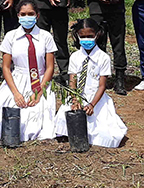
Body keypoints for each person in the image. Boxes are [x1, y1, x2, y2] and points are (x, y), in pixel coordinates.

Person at [0, 0, 57, 142]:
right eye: (23, 14)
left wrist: (39, 92)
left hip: (40, 81)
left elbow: (50, 67)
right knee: (6, 119)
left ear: (37, 16)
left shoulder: (46, 37)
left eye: (30, 14)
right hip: (17, 80)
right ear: (18, 16)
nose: (27, 17)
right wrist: (16, 93)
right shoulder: (10, 36)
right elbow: (6, 67)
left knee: (35, 124)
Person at [54, 18, 127, 147]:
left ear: (97, 35)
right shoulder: (75, 57)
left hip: (95, 99)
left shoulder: (103, 58)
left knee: (105, 133)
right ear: (77, 36)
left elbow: (102, 85)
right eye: (82, 36)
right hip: (77, 96)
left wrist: (92, 104)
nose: (86, 39)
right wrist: (75, 99)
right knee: (62, 121)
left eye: (90, 36)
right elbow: (72, 81)